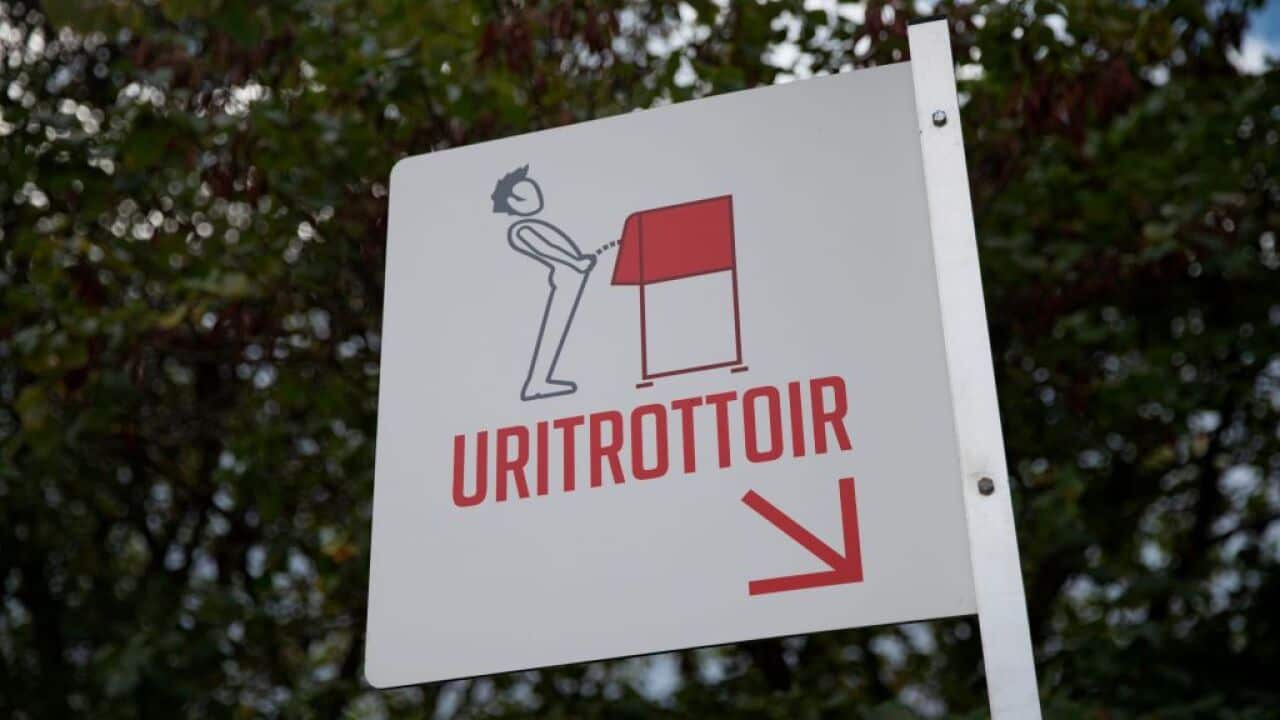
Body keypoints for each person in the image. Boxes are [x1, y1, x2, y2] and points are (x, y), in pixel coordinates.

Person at [491, 165, 596, 400]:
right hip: (566, 282)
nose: (533, 196)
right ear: (513, 203)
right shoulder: (522, 228)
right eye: (523, 195)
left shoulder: (537, 223)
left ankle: (539, 381)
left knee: (559, 330)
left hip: (573, 280)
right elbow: (546, 249)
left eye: (533, 189)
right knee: (553, 330)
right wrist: (575, 262)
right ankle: (536, 383)